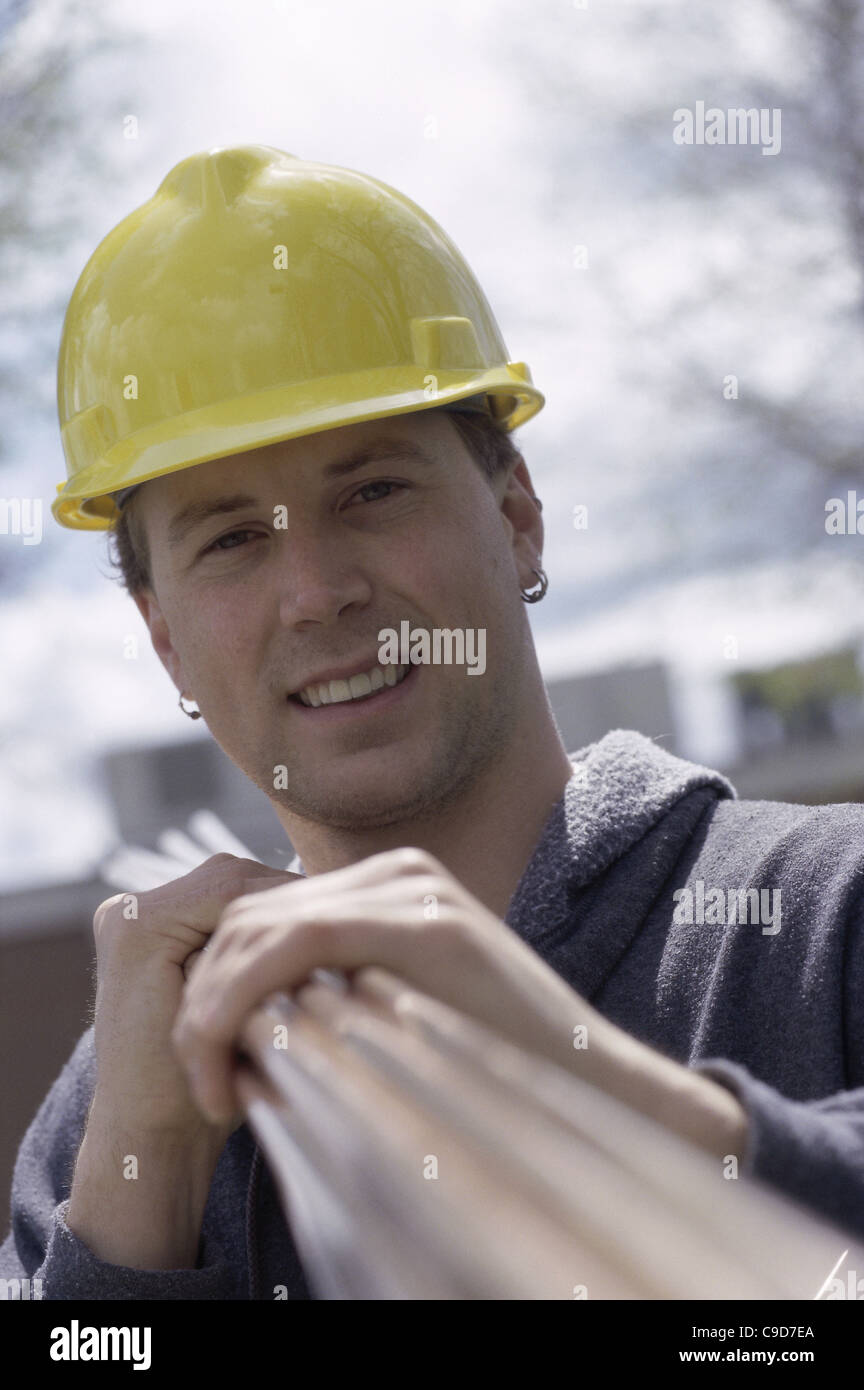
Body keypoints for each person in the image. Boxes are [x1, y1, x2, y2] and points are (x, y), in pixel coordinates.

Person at [2, 145, 863, 1299]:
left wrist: (593, 1089)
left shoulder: (820, 919)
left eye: (372, 490)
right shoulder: (123, 1093)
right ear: (165, 637)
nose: (317, 590)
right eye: (232, 539)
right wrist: (138, 1197)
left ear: (517, 519)